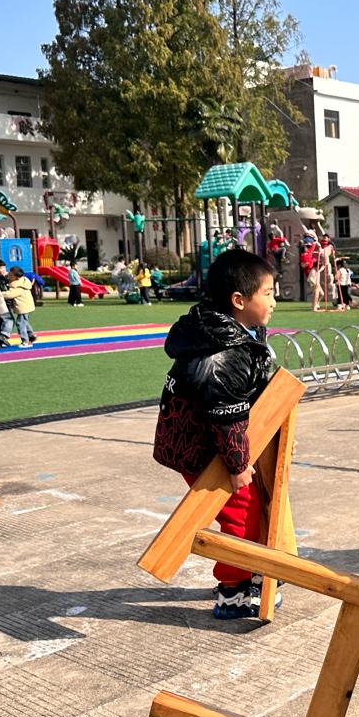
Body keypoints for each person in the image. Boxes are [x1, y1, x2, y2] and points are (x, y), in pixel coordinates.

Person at [152, 250, 282, 619]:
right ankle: (233, 589)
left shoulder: (239, 333)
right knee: (239, 513)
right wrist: (237, 464)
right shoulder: (222, 355)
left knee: (251, 507)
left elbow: (251, 393)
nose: (274, 301)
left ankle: (252, 567)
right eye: (268, 293)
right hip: (203, 448)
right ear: (239, 301)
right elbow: (226, 417)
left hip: (215, 441)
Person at [3, 267, 39, 347]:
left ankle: (25, 341)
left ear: (17, 277)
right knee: (24, 322)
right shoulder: (24, 281)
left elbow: (9, 295)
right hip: (28, 306)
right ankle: (32, 335)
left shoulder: (18, 287)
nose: (8, 276)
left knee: (20, 324)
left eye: (10, 275)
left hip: (23, 307)